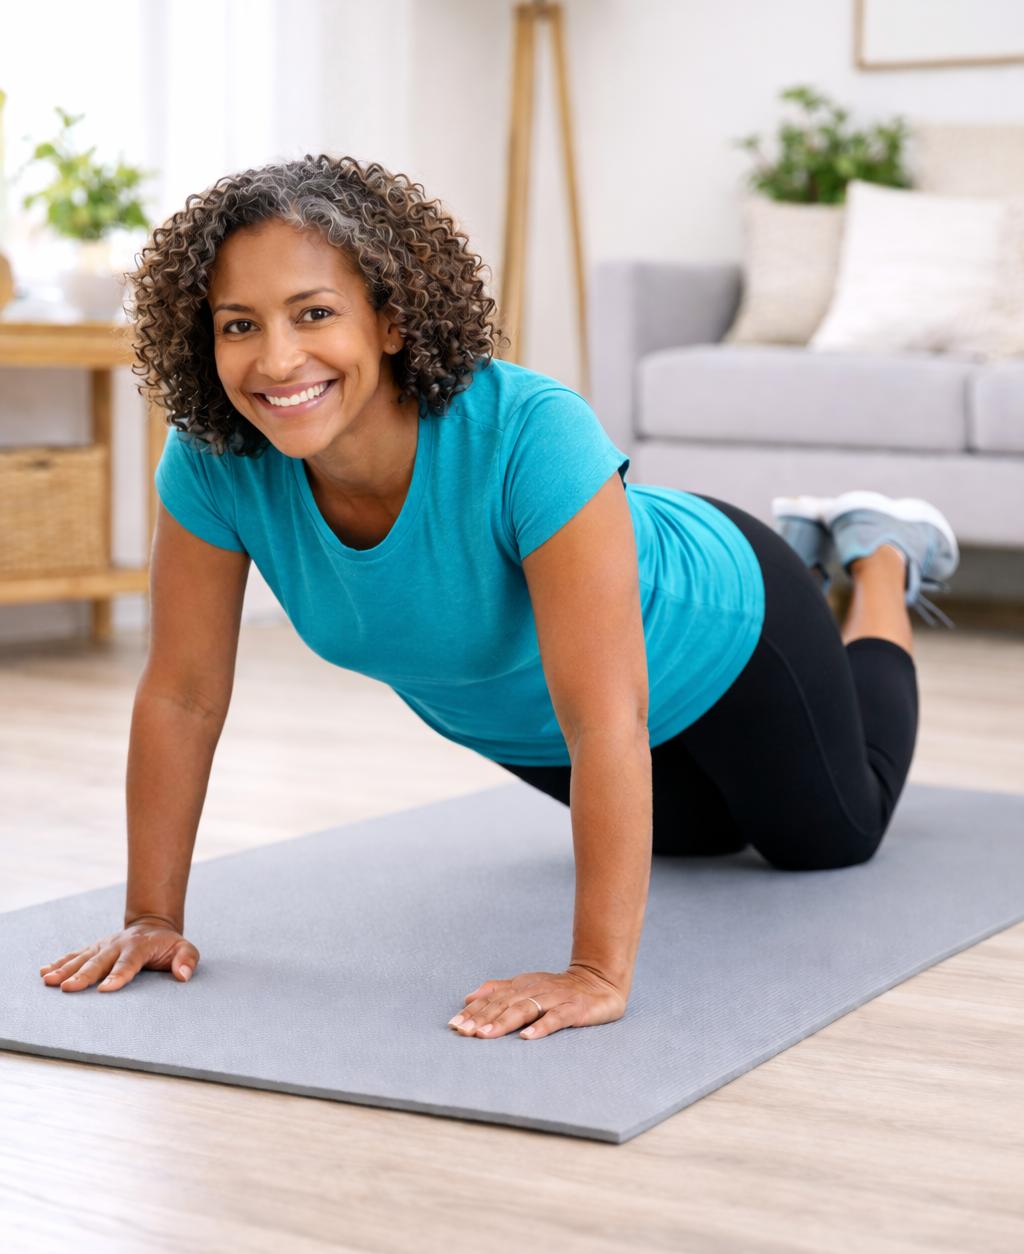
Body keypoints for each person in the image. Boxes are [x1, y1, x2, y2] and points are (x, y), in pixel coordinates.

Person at [40, 157, 959, 1041]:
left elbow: (606, 718)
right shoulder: (214, 462)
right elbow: (182, 693)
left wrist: (597, 972)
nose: (277, 360)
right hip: (545, 721)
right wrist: (149, 916)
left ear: (391, 320)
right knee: (698, 845)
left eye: (314, 313)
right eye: (238, 325)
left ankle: (874, 550)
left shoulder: (531, 432)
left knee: (828, 839)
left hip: (722, 623)